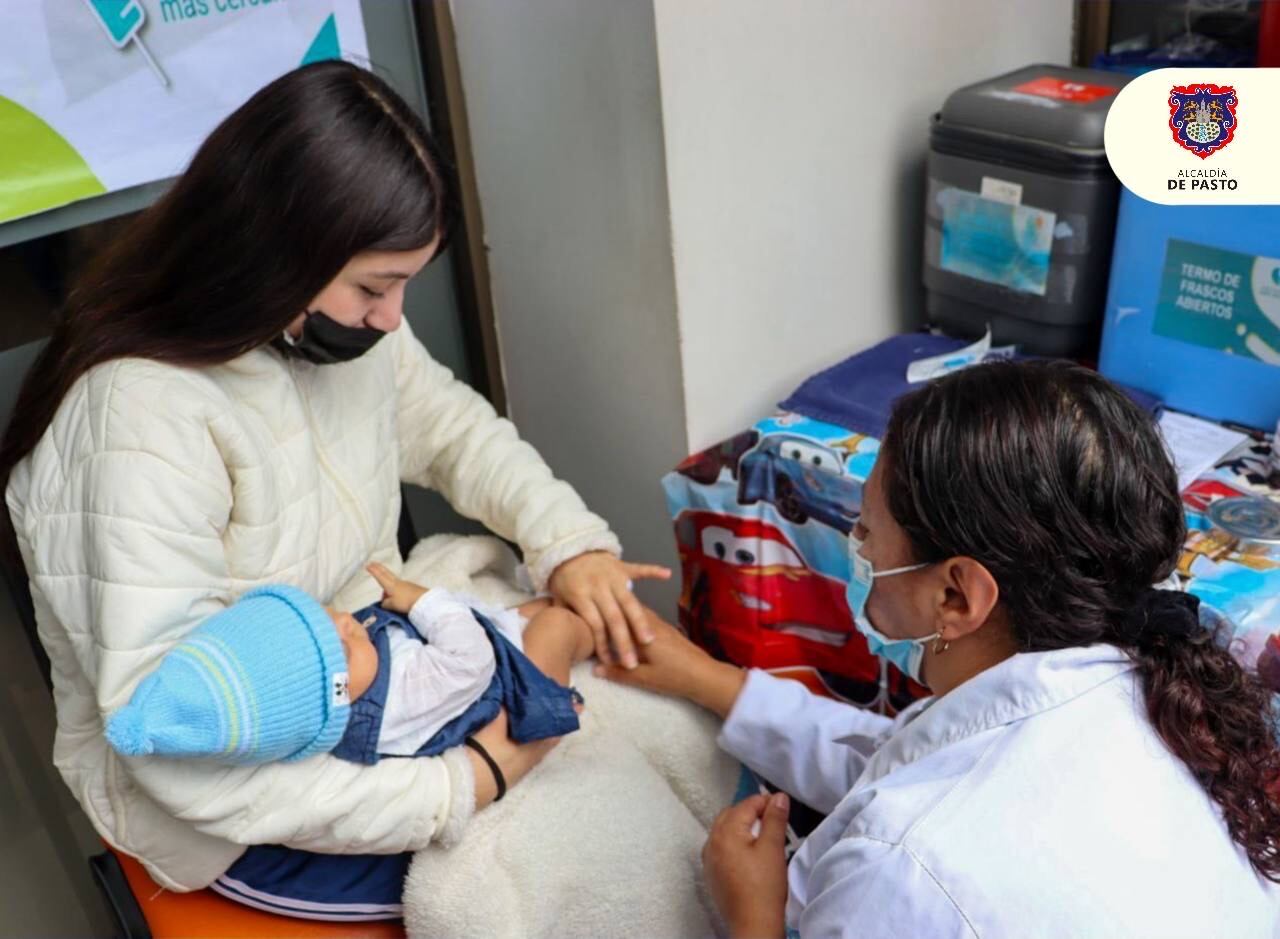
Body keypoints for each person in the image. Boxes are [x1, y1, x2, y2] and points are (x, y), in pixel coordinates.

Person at [1, 60, 667, 919]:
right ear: (274, 251)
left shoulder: (338, 333)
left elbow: (451, 429)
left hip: (376, 662)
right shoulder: (140, 419)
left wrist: (567, 540)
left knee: (637, 740)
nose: (393, 317)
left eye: (405, 284)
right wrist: (466, 783)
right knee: (589, 855)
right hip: (246, 804)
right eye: (374, 286)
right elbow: (179, 753)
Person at [600, 361, 1280, 938]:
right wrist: (711, 679)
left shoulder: (902, 872)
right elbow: (906, 756)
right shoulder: (1140, 684)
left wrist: (753, 914)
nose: (857, 551)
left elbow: (918, 817)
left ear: (956, 596)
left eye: (865, 535)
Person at [102, 564, 594, 768]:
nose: (347, 626)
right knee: (558, 622)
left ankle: (621, 641)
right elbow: (472, 659)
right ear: (332, 708)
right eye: (343, 649)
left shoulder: (334, 705)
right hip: (510, 688)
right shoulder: (402, 693)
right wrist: (423, 600)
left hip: (478, 645)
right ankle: (605, 656)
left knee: (543, 605)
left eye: (326, 616)